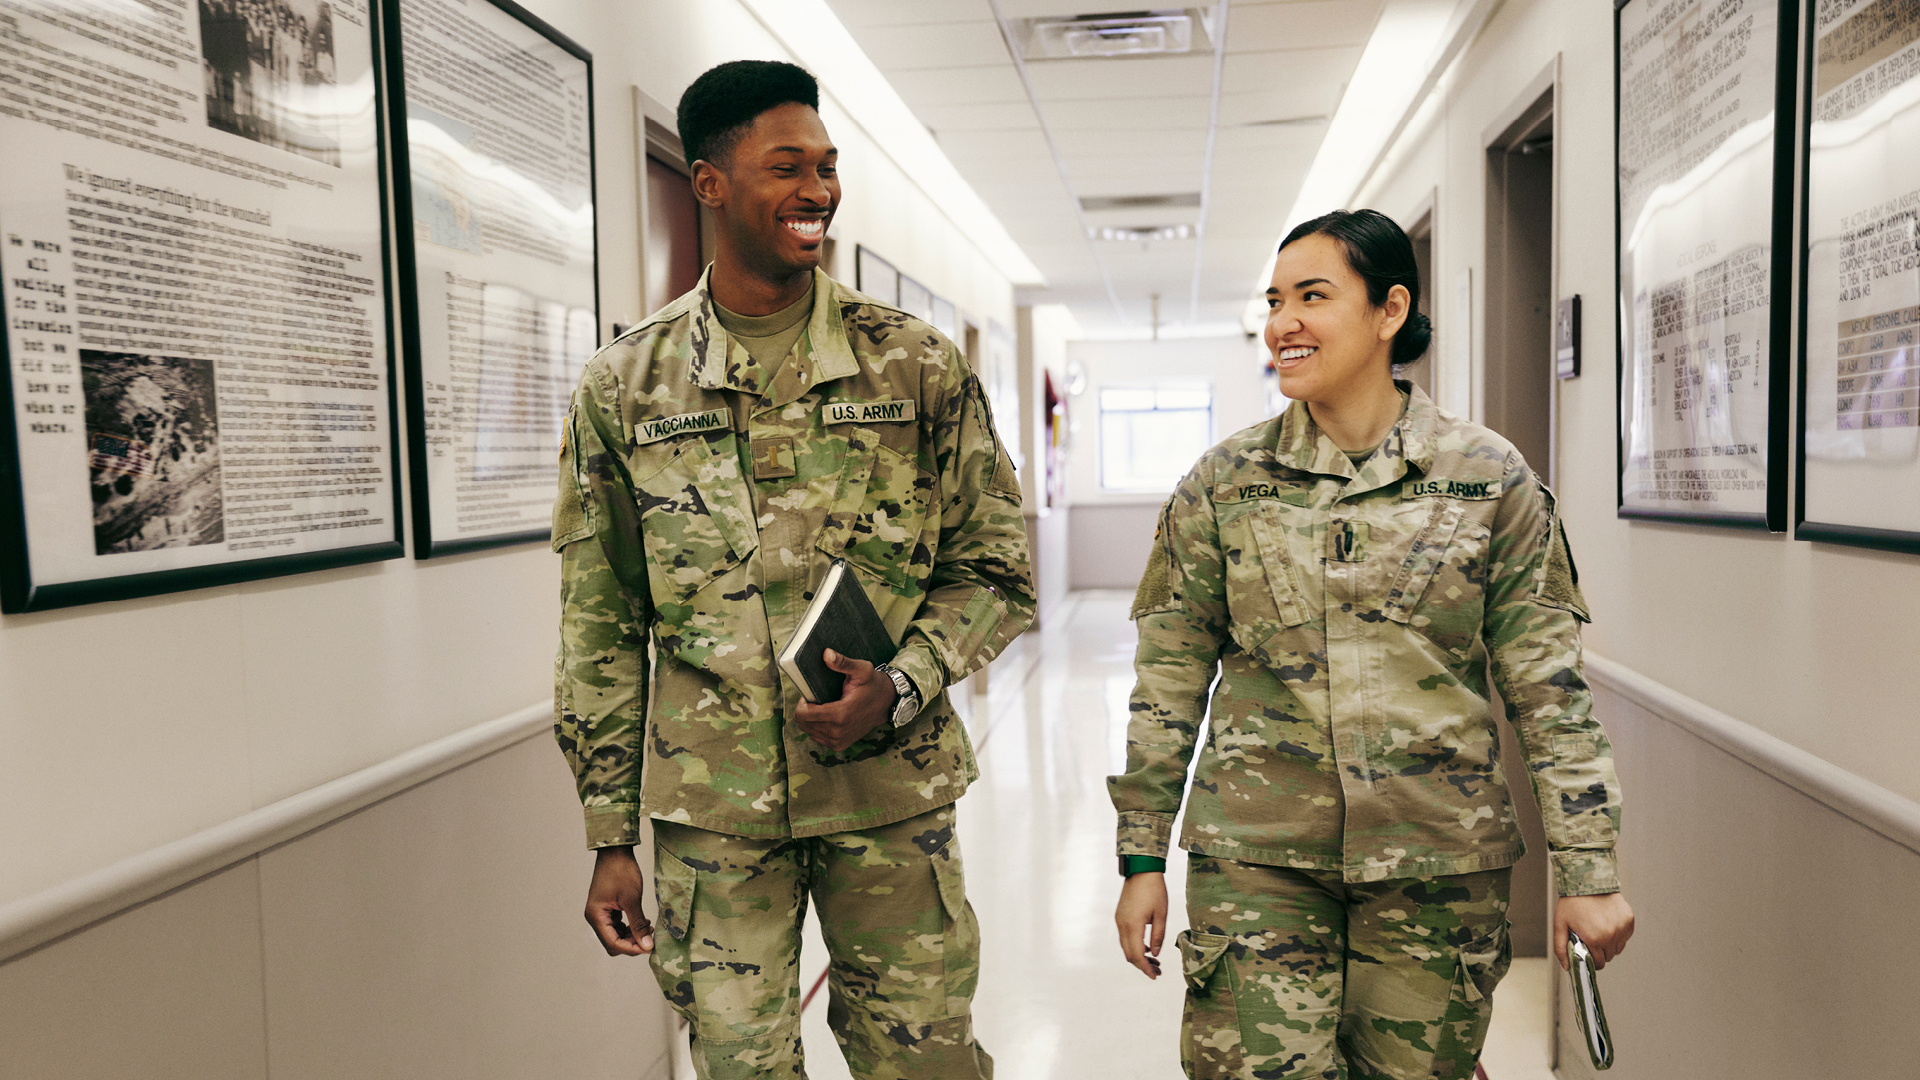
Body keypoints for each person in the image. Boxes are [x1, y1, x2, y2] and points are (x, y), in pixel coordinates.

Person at [551, 60, 1032, 1080]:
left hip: (889, 798)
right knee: (740, 1066)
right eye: (788, 167)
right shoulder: (624, 388)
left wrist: (903, 684)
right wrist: (609, 831)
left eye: (827, 166)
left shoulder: (914, 365)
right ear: (711, 182)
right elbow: (600, 625)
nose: (818, 190)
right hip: (713, 819)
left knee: (925, 1062)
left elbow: (997, 568)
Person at [1109, 209, 1632, 1080]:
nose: (1284, 323)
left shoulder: (1489, 478)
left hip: (1437, 863)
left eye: (1313, 296)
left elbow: (1549, 692)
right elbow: (1167, 683)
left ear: (1390, 310)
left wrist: (1589, 869)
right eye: (1275, 300)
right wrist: (1140, 855)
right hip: (1258, 857)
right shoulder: (1221, 486)